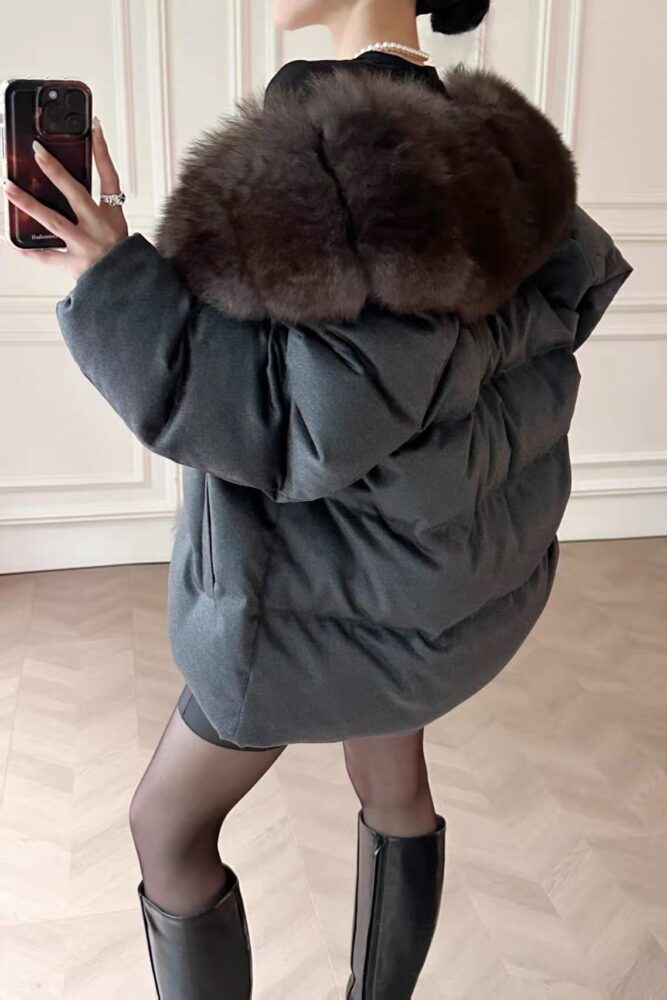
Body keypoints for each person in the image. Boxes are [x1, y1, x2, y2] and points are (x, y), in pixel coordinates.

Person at [2, 0, 632, 996]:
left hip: (314, 603)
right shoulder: (484, 142)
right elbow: (428, 367)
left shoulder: (333, 156)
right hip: (423, 589)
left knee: (164, 824)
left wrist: (113, 277)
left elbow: (281, 419)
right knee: (394, 784)